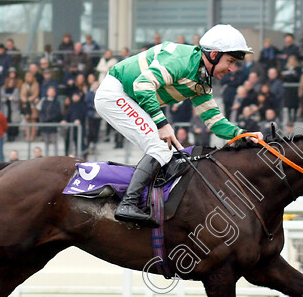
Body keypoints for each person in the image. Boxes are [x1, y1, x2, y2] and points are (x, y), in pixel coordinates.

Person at [94, 24, 264, 226]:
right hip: (116, 94)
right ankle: (128, 204)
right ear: (214, 55)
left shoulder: (202, 81)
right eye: (230, 61)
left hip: (131, 98)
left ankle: (150, 202)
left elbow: (215, 122)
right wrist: (162, 123)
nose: (231, 68)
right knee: (159, 147)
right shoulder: (181, 60)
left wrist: (243, 134)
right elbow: (142, 85)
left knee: (175, 155)